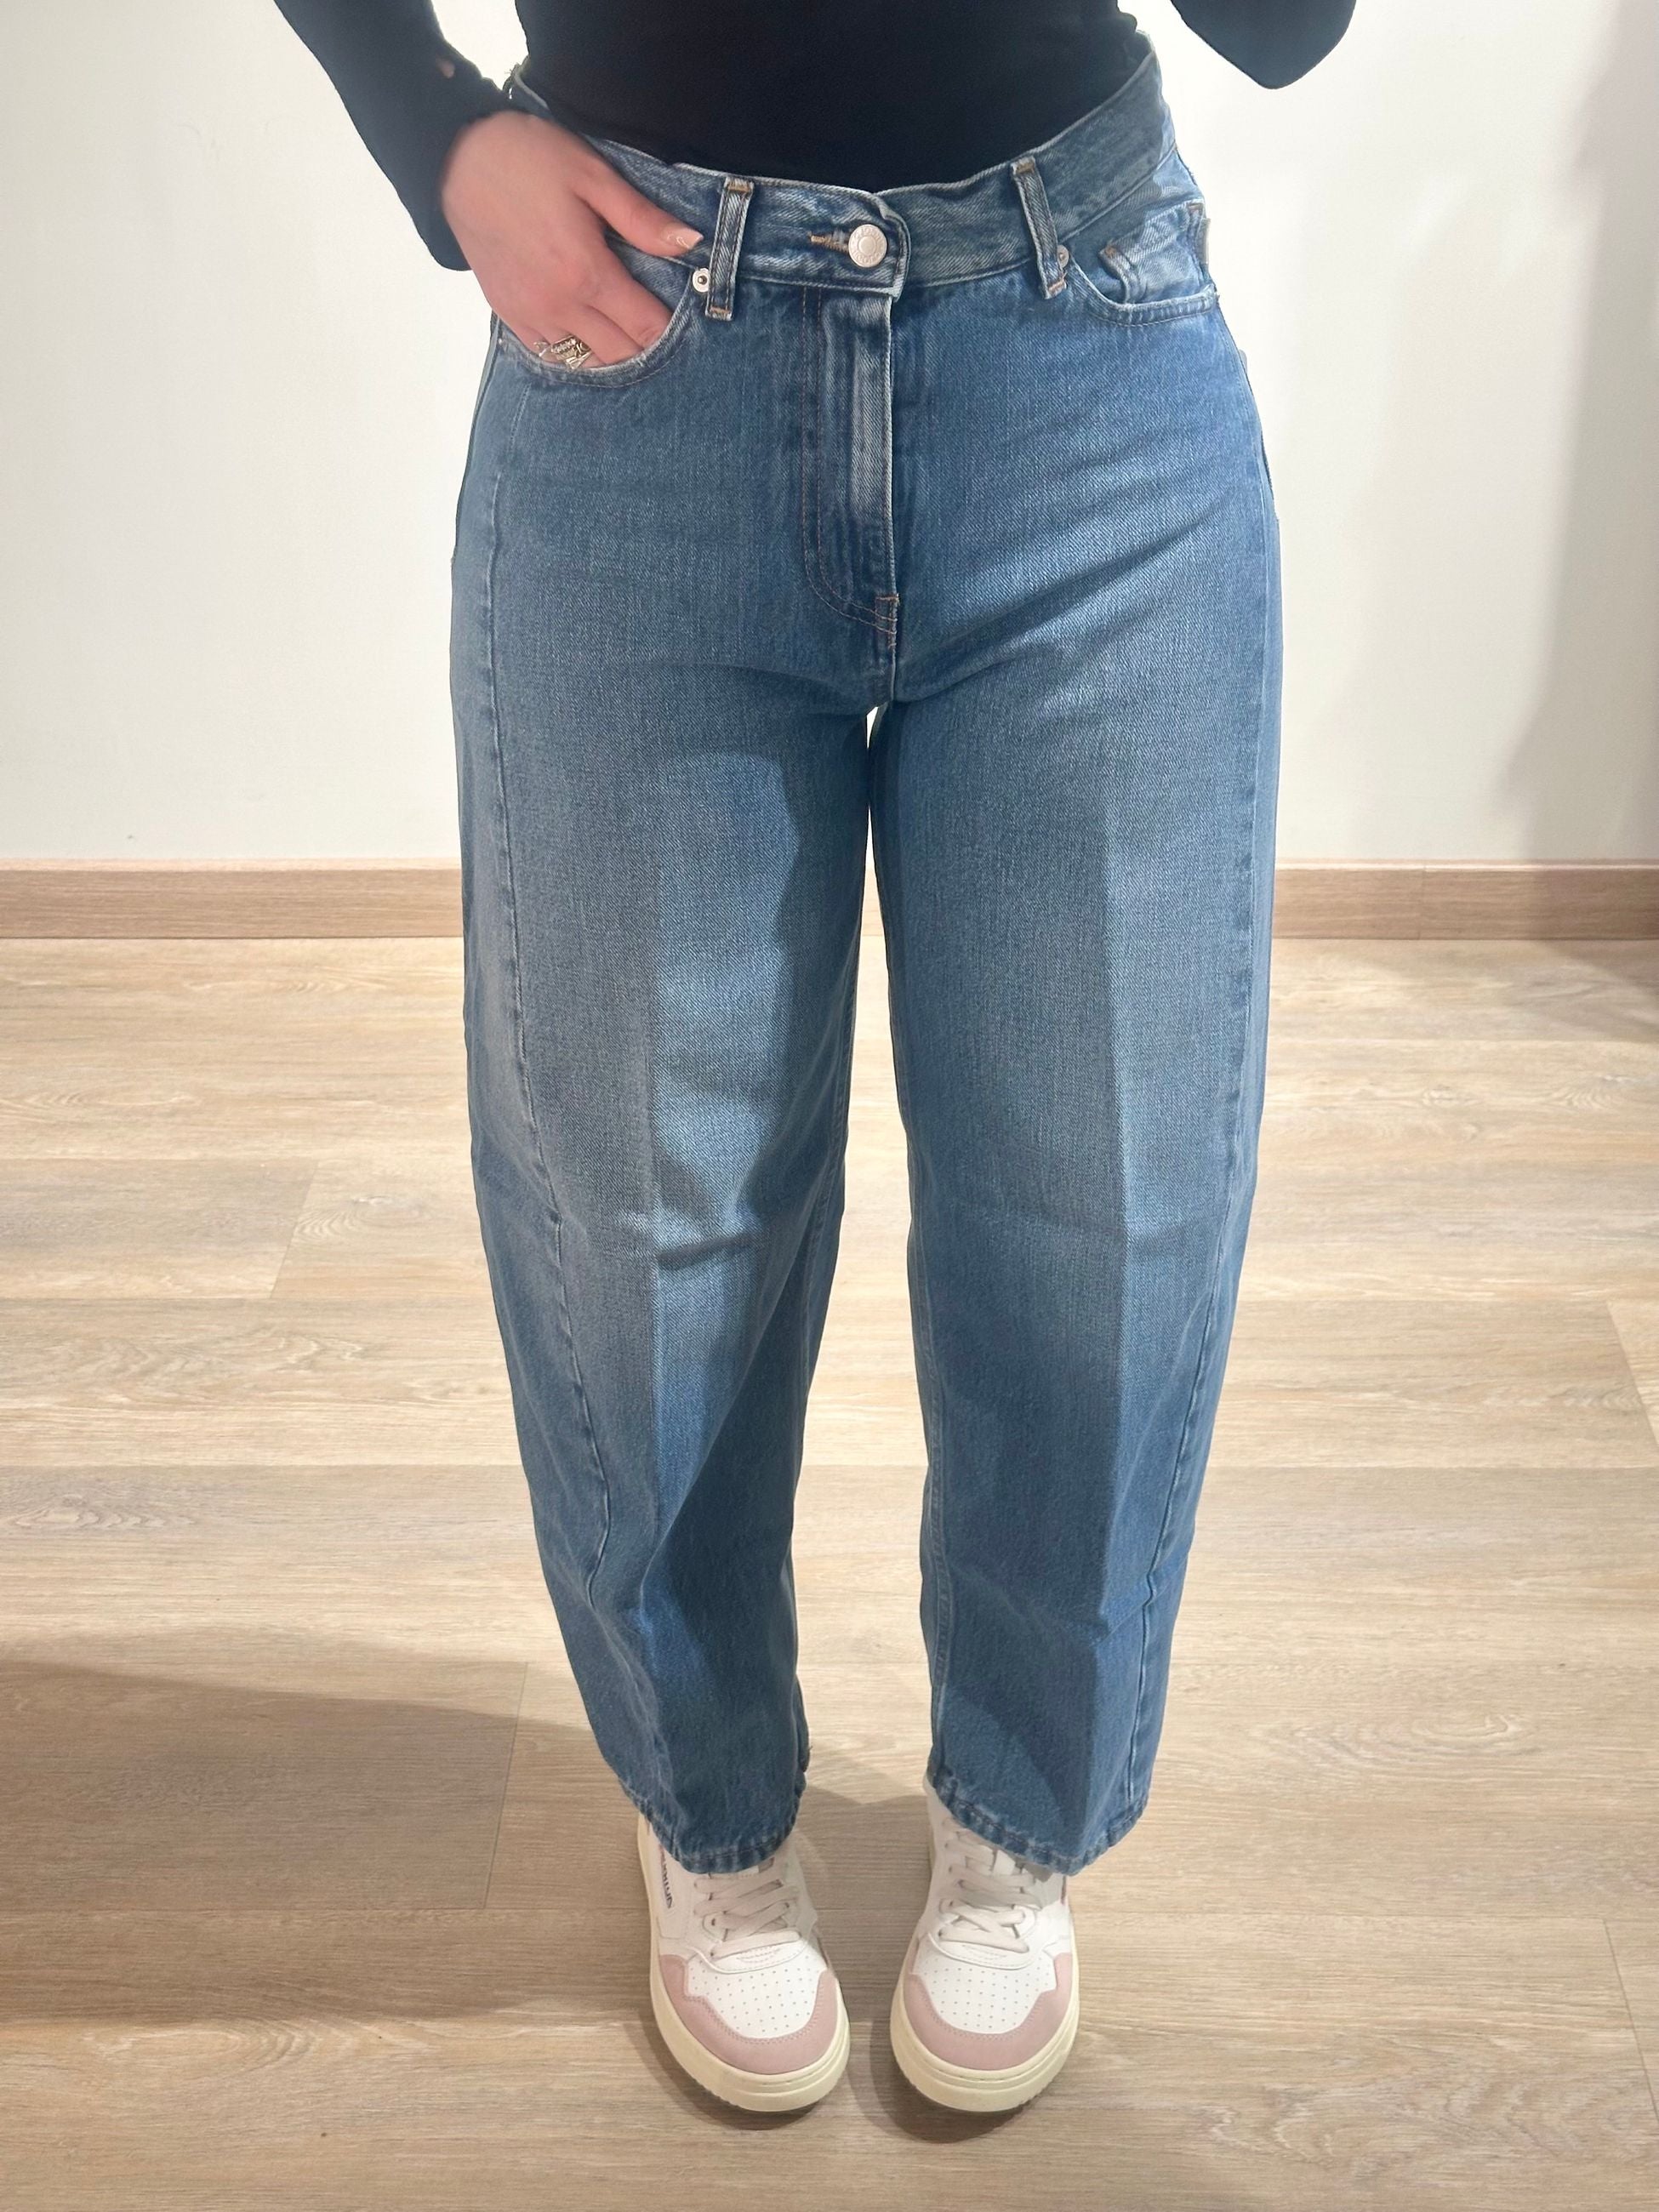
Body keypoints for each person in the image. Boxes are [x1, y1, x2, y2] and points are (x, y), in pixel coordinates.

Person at [273, 0, 1354, 2116]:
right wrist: (431, 127)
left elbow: (1291, 31)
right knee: (640, 1209)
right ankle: (706, 1814)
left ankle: (1022, 1818)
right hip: (642, 344)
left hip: (1080, 356)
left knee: (1104, 1196)